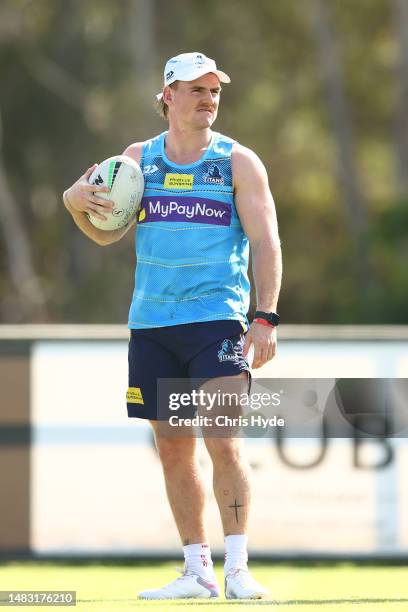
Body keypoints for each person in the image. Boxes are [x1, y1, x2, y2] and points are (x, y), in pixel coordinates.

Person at [63, 52, 282, 600]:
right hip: (153, 325)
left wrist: (265, 316)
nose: (208, 100)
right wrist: (73, 205)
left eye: (214, 92)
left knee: (223, 442)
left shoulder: (238, 162)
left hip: (218, 323)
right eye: (195, 90)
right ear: (167, 97)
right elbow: (107, 233)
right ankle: (197, 570)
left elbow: (266, 241)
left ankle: (237, 568)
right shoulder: (136, 161)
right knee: (173, 447)